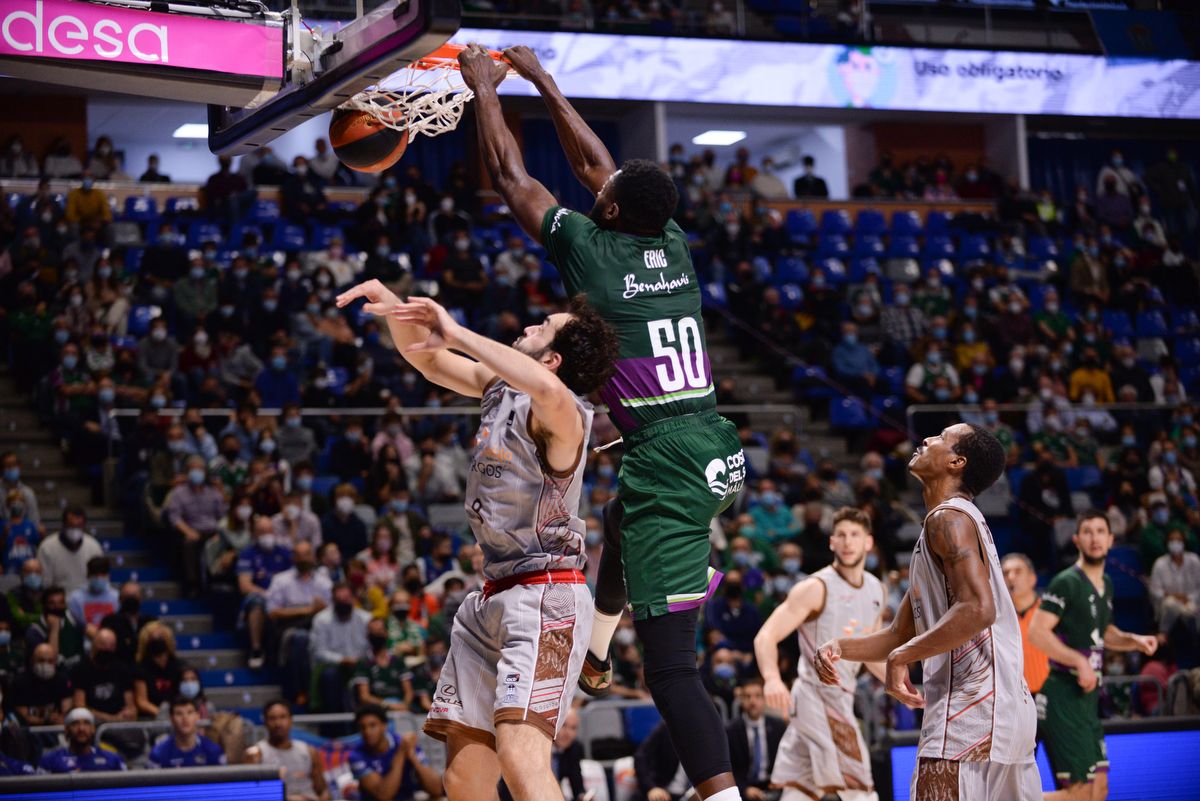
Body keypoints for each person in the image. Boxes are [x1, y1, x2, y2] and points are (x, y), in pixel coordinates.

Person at [466, 45, 747, 801]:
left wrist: (486, 90)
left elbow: (511, 178)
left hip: (670, 457)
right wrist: (544, 81)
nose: (601, 178)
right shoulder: (671, 242)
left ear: (613, 208)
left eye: (609, 188)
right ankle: (594, 653)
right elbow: (600, 170)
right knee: (618, 521)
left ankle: (723, 797)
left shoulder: (591, 254)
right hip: (707, 438)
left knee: (672, 668)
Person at [336, 273, 614, 801]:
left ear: (553, 359)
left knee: (519, 754)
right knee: (464, 778)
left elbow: (547, 388)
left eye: (544, 326)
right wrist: (400, 311)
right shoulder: (500, 385)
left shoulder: (564, 413)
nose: (531, 324)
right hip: (492, 596)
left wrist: (457, 330)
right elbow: (431, 361)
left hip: (546, 596)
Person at [815, 424, 1038, 798]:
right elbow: (899, 635)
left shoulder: (947, 519)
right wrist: (840, 647)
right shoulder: (950, 523)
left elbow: (978, 609)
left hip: (971, 709)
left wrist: (904, 656)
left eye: (941, 437)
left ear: (956, 462)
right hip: (1008, 709)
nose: (927, 439)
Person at [753, 507, 885, 801]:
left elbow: (871, 651)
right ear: (832, 543)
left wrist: (900, 683)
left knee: (800, 790)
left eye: (855, 535)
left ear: (868, 542)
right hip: (815, 694)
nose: (848, 541)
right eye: (841, 535)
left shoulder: (877, 589)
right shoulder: (815, 587)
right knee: (858, 786)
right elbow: (766, 636)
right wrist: (772, 679)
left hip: (843, 695)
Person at [1028, 511, 1159, 801]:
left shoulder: (1106, 585)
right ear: (1077, 540)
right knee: (1079, 794)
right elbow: (1037, 632)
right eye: (1087, 531)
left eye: (1101, 531)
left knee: (1098, 792)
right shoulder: (1066, 582)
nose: (1095, 537)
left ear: (1112, 539)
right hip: (1063, 697)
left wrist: (1134, 640)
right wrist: (1078, 661)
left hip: (1087, 703)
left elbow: (1104, 632)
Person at [348, 704, 443, 801]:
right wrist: (401, 754)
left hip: (408, 798)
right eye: (362, 727)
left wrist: (413, 757)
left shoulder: (404, 743)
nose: (367, 732)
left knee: (438, 798)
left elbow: (436, 789)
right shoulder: (356, 755)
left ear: (384, 726)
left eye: (372, 725)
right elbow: (384, 796)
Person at [246, 699, 331, 801]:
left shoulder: (309, 751)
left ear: (290, 720)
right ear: (265, 722)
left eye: (283, 717)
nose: (278, 723)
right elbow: (250, 795)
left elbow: (323, 790)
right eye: (272, 718)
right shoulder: (255, 754)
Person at [238, 515, 293, 669]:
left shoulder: (285, 552)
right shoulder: (248, 553)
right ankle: (256, 649)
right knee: (257, 602)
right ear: (254, 534)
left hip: (285, 597)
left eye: (269, 530)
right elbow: (245, 585)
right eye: (261, 531)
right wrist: (267, 594)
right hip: (261, 595)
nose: (266, 534)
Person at [310, 581, 371, 712]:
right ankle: (334, 722)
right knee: (329, 676)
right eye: (339, 599)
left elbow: (372, 647)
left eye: (347, 599)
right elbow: (319, 652)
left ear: (353, 599)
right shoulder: (321, 619)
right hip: (335, 666)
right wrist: (342, 659)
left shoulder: (366, 618)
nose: (343, 602)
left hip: (362, 664)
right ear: (333, 600)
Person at [724, 677, 787, 801]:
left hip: (773, 786)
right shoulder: (731, 730)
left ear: (764, 699)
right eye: (747, 696)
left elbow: (785, 759)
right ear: (741, 700)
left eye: (758, 696)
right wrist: (744, 789)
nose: (753, 701)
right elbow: (729, 769)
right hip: (744, 787)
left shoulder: (778, 726)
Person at [1002, 553, 1050, 696]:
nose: (1011, 577)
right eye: (1005, 573)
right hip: (1013, 697)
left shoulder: (1050, 613)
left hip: (1048, 696)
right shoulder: (996, 618)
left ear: (1032, 579)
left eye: (1017, 571)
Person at [70, 627, 136, 724]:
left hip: (119, 722)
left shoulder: (122, 669)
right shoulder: (81, 669)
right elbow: (80, 706)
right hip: (91, 724)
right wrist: (110, 718)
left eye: (111, 646)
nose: (107, 649)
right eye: (103, 644)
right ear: (94, 645)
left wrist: (128, 713)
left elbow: (130, 706)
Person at [1148, 527, 1200, 649]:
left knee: (1192, 610)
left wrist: (1188, 597)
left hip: (1192, 603)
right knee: (1170, 604)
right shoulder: (1160, 563)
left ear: (1184, 542)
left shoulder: (1194, 560)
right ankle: (1163, 632)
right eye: (1172, 540)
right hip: (1168, 607)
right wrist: (1169, 595)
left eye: (1178, 540)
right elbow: (1154, 591)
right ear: (1167, 543)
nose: (1175, 543)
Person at [38, 707, 127, 773]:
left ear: (93, 729)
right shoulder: (50, 760)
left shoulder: (112, 759)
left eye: (86, 723)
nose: (81, 729)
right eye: (75, 724)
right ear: (67, 730)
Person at [37, 506, 103, 594]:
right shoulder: (47, 547)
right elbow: (45, 583)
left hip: (87, 601)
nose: (75, 530)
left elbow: (100, 579)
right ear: (63, 525)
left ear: (84, 526)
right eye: (71, 526)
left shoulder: (94, 547)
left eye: (78, 526)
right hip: (59, 603)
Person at [147, 696, 226, 767]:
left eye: (190, 712)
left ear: (197, 716)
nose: (185, 718)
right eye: (179, 714)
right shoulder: (158, 753)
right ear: (171, 719)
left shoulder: (213, 750)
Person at [11, 643, 72, 727]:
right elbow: (23, 717)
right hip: (28, 732)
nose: (45, 665)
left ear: (55, 662)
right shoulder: (20, 682)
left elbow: (66, 714)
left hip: (56, 729)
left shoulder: (62, 681)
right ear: (32, 660)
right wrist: (45, 720)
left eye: (50, 661)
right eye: (41, 660)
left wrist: (59, 718)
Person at [66, 555, 118, 638]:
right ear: (88, 575)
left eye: (102, 574)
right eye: (95, 575)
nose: (98, 578)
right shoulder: (75, 598)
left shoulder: (116, 598)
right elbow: (72, 624)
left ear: (108, 575)